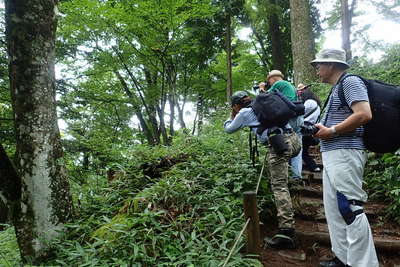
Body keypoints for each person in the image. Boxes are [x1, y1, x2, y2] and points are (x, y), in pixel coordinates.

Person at [310, 48, 379, 267]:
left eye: (319, 65)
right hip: (333, 153)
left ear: (331, 65)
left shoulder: (350, 83)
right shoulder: (337, 88)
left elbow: (364, 114)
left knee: (349, 207)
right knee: (334, 208)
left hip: (346, 152)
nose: (317, 69)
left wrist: (331, 131)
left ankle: (363, 263)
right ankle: (343, 258)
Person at [224, 91, 301, 249]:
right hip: (294, 140)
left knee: (279, 186)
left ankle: (287, 231)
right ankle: (292, 209)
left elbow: (229, 129)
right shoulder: (262, 105)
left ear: (236, 105)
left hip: (280, 145)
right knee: (282, 181)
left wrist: (229, 117)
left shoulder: (244, 113)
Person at [259, 70, 303, 179]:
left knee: (285, 145)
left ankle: (285, 176)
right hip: (298, 118)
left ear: (273, 78)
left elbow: (264, 98)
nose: (269, 82)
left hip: (289, 119)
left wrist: (261, 88)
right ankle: (297, 175)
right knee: (296, 146)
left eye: (269, 80)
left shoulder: (279, 84)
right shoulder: (290, 85)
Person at [297, 84, 321, 172]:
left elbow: (300, 113)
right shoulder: (316, 104)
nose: (299, 94)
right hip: (311, 128)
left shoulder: (309, 102)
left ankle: (314, 167)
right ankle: (314, 167)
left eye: (300, 92)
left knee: (302, 152)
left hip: (305, 128)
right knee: (304, 151)